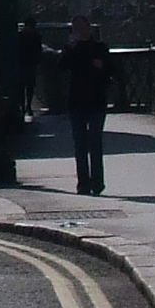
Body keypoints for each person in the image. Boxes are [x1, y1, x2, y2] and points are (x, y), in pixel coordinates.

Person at [58, 15, 115, 197]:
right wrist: (73, 50)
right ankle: (83, 184)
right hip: (76, 102)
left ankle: (97, 183)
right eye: (76, 29)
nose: (80, 32)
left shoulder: (100, 48)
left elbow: (111, 71)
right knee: (80, 145)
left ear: (89, 29)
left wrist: (101, 67)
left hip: (96, 101)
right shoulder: (71, 49)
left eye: (83, 28)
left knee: (95, 143)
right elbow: (62, 66)